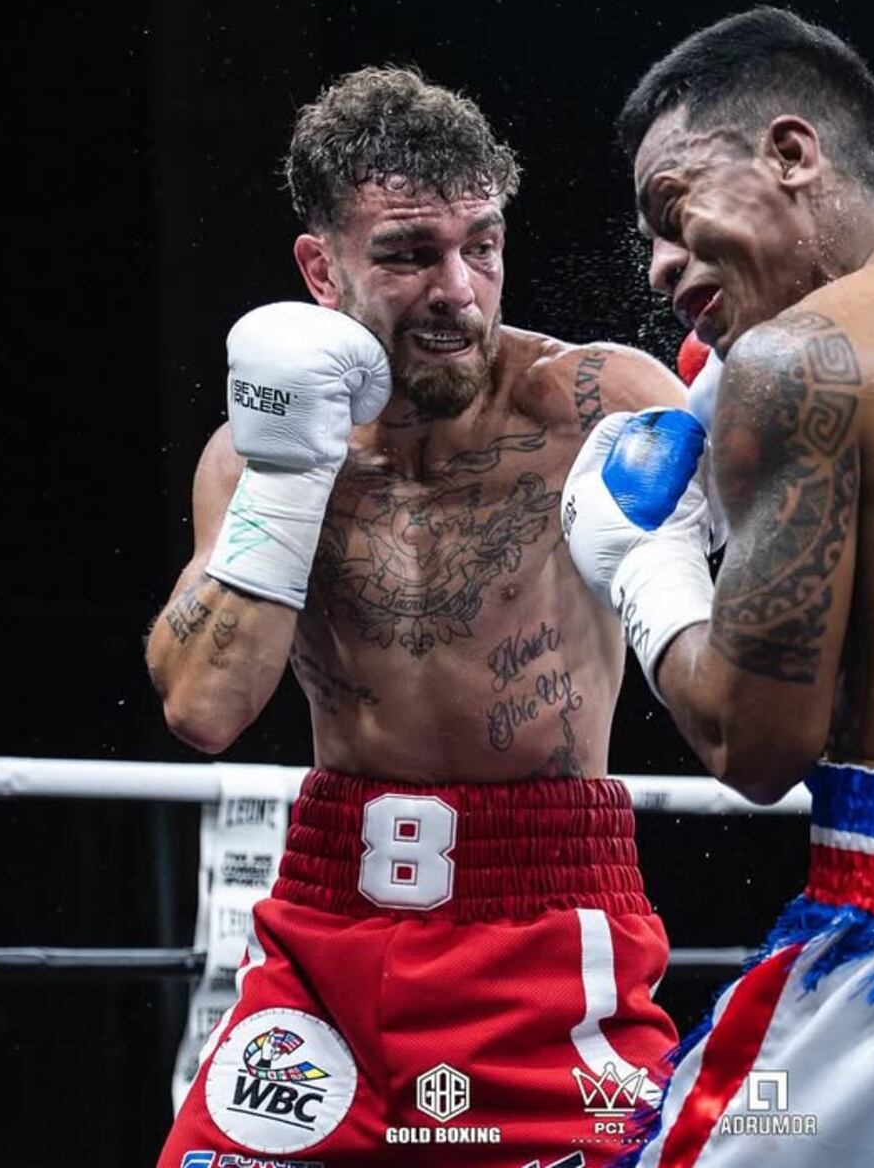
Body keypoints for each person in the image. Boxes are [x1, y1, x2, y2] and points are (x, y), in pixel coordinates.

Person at [146, 65, 689, 1168]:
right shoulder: (254, 452)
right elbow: (204, 709)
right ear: (321, 269)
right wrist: (289, 481)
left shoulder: (599, 407)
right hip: (326, 932)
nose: (458, 290)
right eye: (408, 254)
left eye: (481, 247)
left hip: (547, 923)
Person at [561, 6, 874, 1167]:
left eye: (674, 210)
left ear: (790, 152)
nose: (659, 266)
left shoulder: (800, 361)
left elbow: (756, 746)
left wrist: (643, 563)